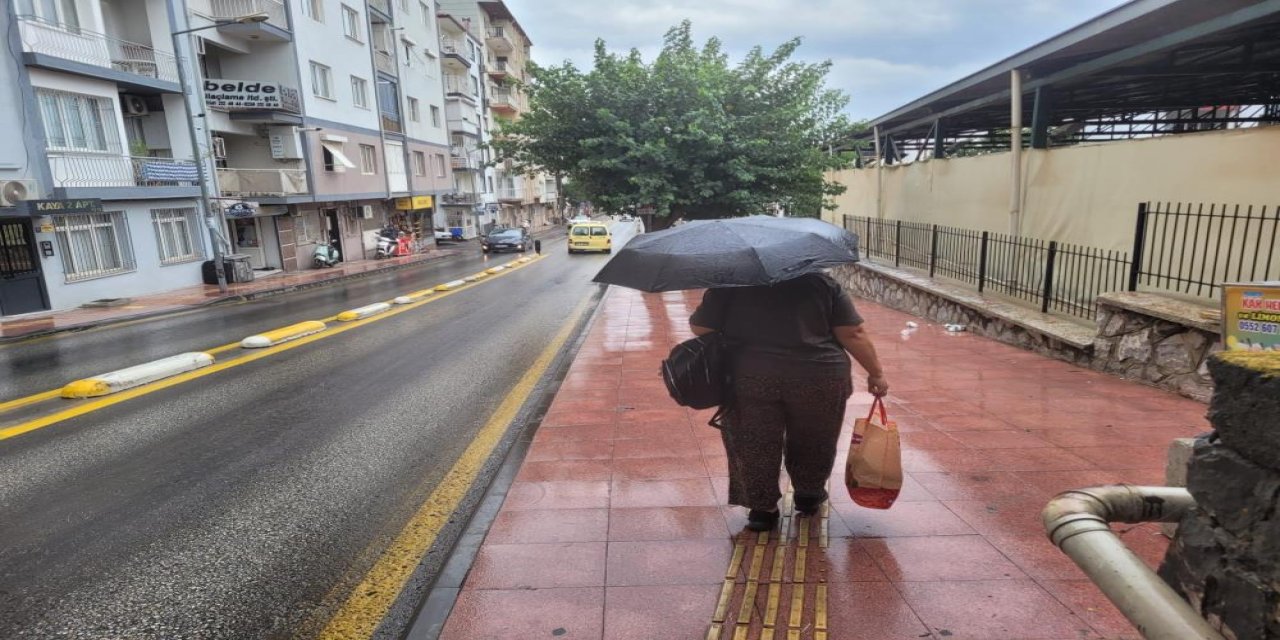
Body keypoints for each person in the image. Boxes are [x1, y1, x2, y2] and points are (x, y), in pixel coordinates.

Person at [689, 273, 888, 531]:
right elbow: (853, 332)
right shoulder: (821, 283)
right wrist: (876, 373)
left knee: (752, 440)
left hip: (750, 376)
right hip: (819, 376)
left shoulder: (731, 282)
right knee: (816, 436)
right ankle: (808, 494)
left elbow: (701, 328)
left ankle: (762, 509)